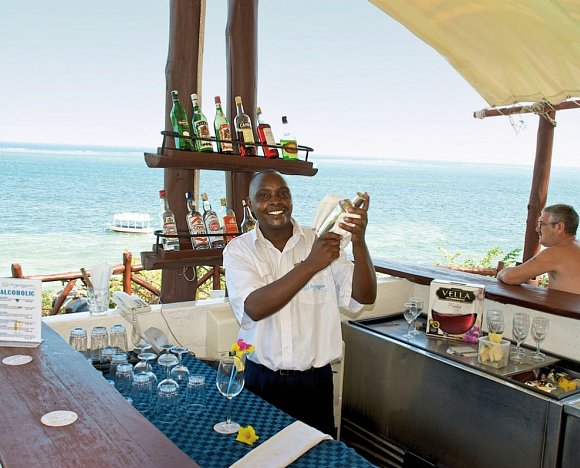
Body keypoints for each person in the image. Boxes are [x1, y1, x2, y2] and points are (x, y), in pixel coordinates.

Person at [223, 170, 377, 436]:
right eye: (263, 195)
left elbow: (364, 296)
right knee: (260, 455)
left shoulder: (319, 241)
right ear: (249, 204)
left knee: (315, 456)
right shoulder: (239, 249)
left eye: (283, 193)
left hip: (314, 386)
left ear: (291, 199)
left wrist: (359, 242)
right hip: (260, 382)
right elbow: (254, 308)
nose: (275, 201)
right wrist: (311, 264)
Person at [497, 204, 580, 294]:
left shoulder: (557, 252)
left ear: (559, 227)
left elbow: (510, 277)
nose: (537, 229)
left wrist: (501, 273)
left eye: (541, 224)